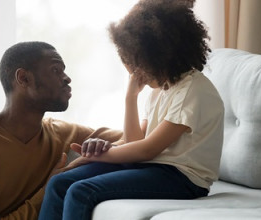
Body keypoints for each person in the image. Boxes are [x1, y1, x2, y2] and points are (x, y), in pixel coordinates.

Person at [38, 0, 225, 219]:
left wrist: (102, 156)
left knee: (82, 192)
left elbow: (146, 150)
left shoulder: (193, 91)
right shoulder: (162, 90)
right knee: (59, 183)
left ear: (159, 56)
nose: (135, 74)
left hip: (183, 178)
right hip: (153, 167)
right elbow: (135, 140)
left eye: (137, 66)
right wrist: (130, 97)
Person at [0, 41, 123, 219]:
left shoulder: (64, 134)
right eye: (56, 70)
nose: (67, 78)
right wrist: (50, 189)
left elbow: (138, 138)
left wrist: (104, 145)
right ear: (23, 78)